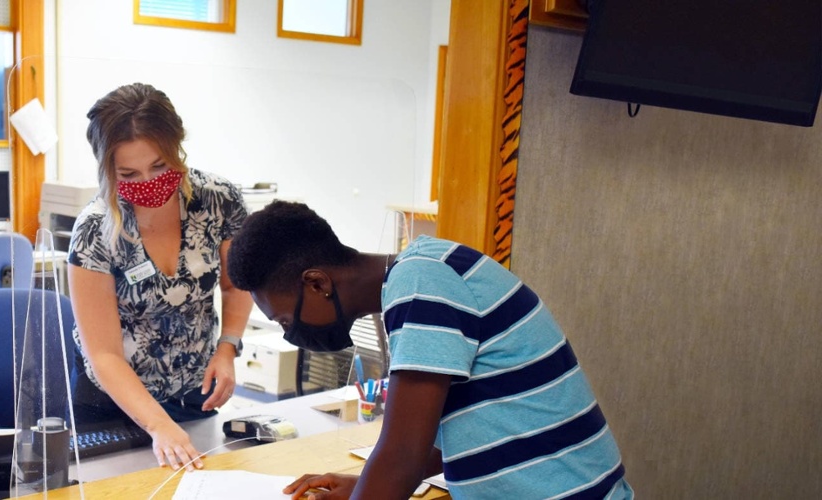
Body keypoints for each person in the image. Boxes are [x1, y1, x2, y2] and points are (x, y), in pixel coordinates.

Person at [227, 201, 633, 499]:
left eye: (284, 320)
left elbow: (402, 454)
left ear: (317, 283)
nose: (289, 332)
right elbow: (446, 439)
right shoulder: (427, 269)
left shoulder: (421, 283)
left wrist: (381, 481)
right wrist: (363, 485)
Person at [66, 83, 254, 471]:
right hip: (113, 406)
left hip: (194, 393)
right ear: (108, 170)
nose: (148, 182)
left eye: (159, 166)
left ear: (177, 148)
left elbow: (237, 283)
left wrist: (227, 347)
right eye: (129, 173)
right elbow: (103, 353)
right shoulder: (95, 229)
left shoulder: (218, 200)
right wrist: (158, 425)